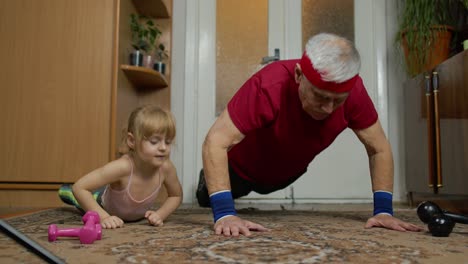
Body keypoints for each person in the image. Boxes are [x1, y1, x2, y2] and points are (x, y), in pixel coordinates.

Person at [196, 33, 423, 237]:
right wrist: (225, 214)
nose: (328, 109)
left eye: (338, 100)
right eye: (321, 97)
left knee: (273, 179)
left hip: (285, 174)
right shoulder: (269, 84)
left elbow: (379, 148)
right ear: (298, 75)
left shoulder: (355, 94)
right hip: (239, 171)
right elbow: (214, 142)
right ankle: (205, 180)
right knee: (208, 199)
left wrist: (384, 211)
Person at [59, 105, 183, 229]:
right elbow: (80, 187)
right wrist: (104, 217)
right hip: (103, 204)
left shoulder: (166, 168)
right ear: (132, 141)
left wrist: (160, 215)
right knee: (84, 199)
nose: (163, 148)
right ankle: (68, 193)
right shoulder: (122, 167)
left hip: (124, 207)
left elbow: (176, 195)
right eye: (154, 141)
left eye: (168, 142)